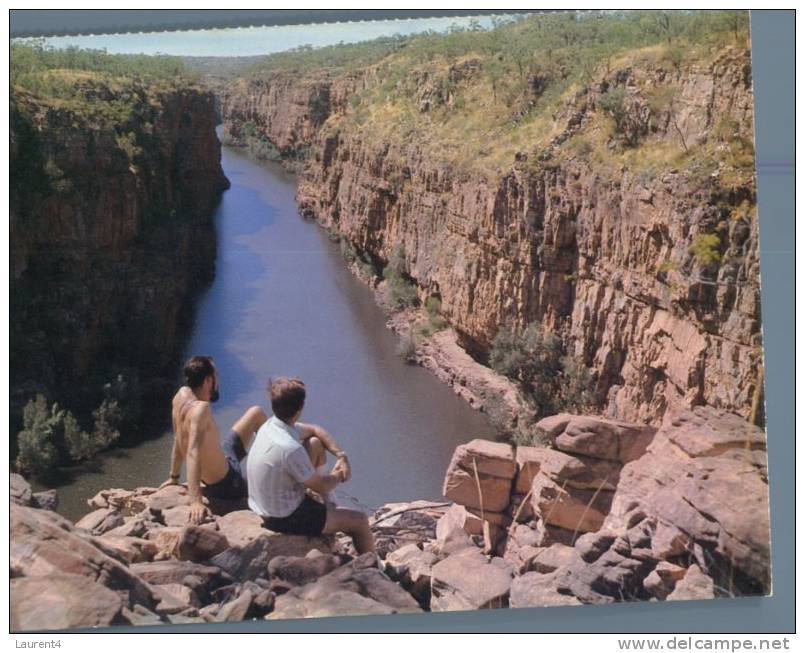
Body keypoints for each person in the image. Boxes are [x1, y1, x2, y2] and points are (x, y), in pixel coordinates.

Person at [247, 377, 375, 554]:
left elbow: (315, 430)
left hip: (263, 504)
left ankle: (330, 504)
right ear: (301, 408)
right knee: (359, 521)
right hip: (283, 516)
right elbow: (322, 486)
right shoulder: (289, 448)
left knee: (314, 442)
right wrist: (339, 474)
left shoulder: (270, 426)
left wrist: (341, 455)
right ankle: (375, 569)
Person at [160, 355, 267, 523]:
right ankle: (277, 469)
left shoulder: (180, 396)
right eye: (216, 375)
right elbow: (192, 453)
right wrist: (196, 500)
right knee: (262, 492)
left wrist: (174, 477)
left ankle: (274, 461)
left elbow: (178, 439)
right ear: (208, 380)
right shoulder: (201, 409)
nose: (218, 379)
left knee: (256, 413)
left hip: (225, 456)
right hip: (228, 483)